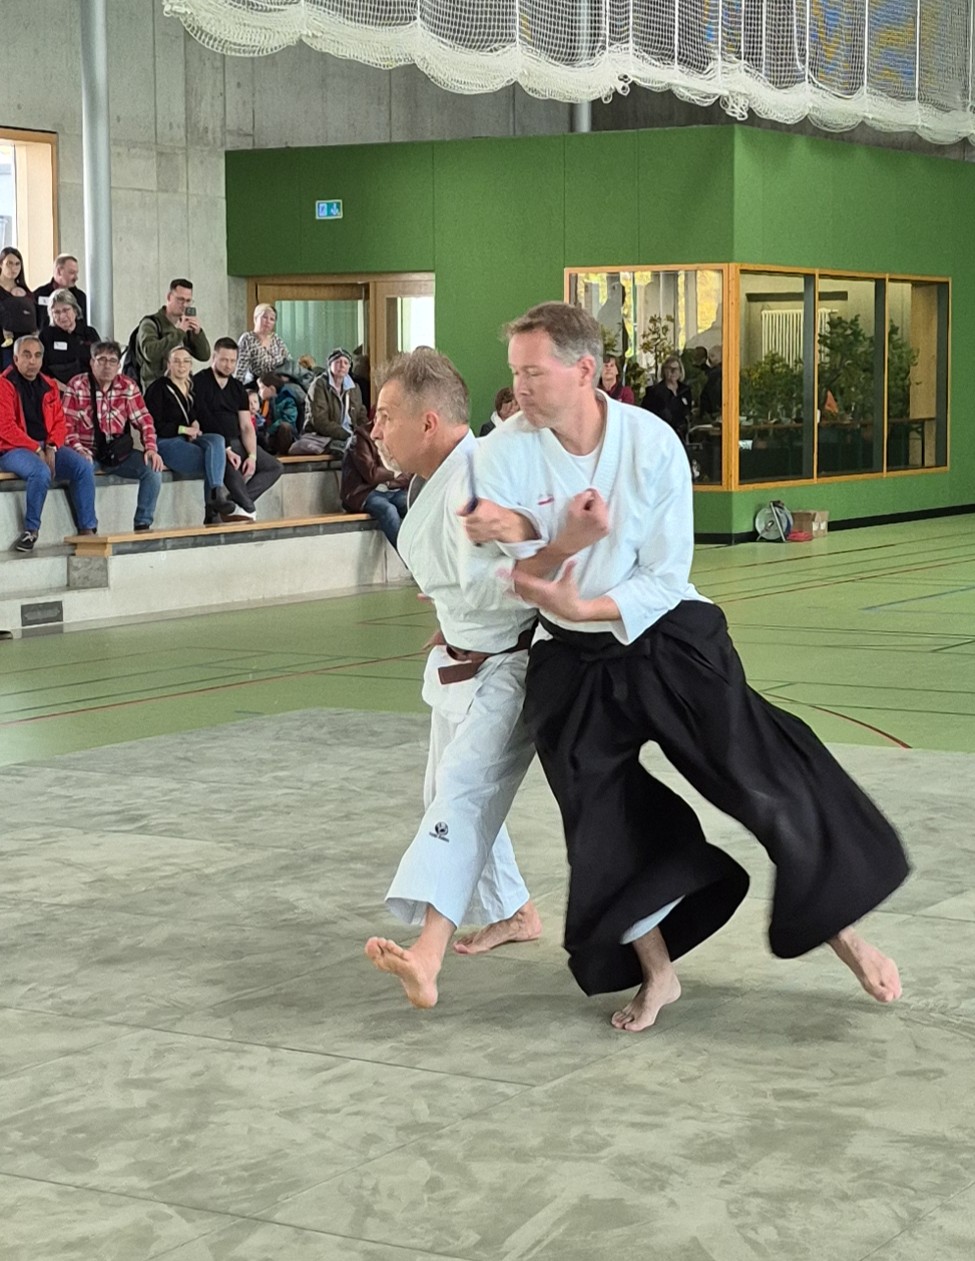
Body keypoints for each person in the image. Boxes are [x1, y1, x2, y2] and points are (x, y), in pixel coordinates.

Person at [465, 302, 909, 1031]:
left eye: (533, 373)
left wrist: (587, 601)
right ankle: (658, 973)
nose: (519, 389)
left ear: (585, 370)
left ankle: (846, 936)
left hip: (665, 635)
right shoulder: (502, 453)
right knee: (601, 821)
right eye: (514, 373)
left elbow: (665, 575)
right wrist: (552, 558)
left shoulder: (651, 443)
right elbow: (511, 573)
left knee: (761, 777)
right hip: (571, 658)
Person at [364, 346, 577, 1009]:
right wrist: (454, 615)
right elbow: (469, 575)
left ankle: (427, 955)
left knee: (461, 791)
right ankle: (514, 910)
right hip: (463, 657)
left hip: (510, 666)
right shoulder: (432, 479)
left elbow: (547, 564)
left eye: (386, 415)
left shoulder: (485, 479)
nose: (375, 429)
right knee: (443, 788)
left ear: (428, 421)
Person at [0, 335, 97, 551]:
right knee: (40, 472)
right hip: (12, 449)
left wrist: (52, 445)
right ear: (15, 358)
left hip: (46, 445)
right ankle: (31, 530)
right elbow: (5, 428)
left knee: (83, 467)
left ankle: (87, 529)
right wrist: (36, 448)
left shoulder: (49, 385)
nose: (32, 361)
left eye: (37, 356)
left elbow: (60, 423)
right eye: (26, 355)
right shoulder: (3, 385)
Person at [63, 341, 164, 532]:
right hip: (87, 451)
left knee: (153, 468)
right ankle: (88, 528)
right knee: (81, 468)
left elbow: (145, 420)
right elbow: (67, 426)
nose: (107, 365)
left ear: (118, 366)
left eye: (112, 361)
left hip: (117, 453)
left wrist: (151, 448)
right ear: (92, 362)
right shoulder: (77, 385)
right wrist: (79, 450)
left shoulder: (128, 386)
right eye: (101, 360)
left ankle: (143, 524)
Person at [144, 346, 239, 525]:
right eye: (177, 361)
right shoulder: (158, 388)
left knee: (217, 441)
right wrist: (183, 429)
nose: (182, 366)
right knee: (213, 460)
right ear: (169, 364)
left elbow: (200, 414)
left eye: (186, 361)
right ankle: (213, 508)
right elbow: (154, 425)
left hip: (189, 438)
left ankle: (215, 495)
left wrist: (195, 423)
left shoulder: (191, 387)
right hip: (166, 441)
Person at [193, 338, 282, 521]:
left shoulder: (237, 387)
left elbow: (246, 425)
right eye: (224, 360)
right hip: (214, 444)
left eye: (233, 361)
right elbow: (204, 419)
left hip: (237, 441)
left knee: (274, 467)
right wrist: (226, 449)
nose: (228, 365)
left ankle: (231, 504)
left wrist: (252, 456)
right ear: (214, 357)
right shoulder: (199, 382)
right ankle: (242, 507)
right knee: (247, 506)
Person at [339, 413, 410, 547]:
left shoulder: (398, 434)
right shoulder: (360, 437)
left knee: (413, 505)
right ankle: (407, 555)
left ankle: (424, 551)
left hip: (391, 489)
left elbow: (408, 473)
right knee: (388, 510)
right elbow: (372, 474)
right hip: (364, 492)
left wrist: (389, 481)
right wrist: (395, 473)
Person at [136, 278, 211, 390]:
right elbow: (150, 353)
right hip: (156, 388)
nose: (184, 305)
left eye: (188, 301)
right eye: (180, 299)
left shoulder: (185, 325)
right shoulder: (151, 323)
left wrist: (197, 333)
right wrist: (179, 332)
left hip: (182, 387)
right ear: (169, 297)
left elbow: (204, 356)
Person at [292, 347, 367, 455]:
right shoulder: (319, 385)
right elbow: (320, 420)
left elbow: (361, 415)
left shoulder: (354, 388)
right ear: (330, 365)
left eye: (346, 363)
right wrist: (346, 434)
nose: (342, 365)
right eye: (338, 362)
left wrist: (363, 433)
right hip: (322, 436)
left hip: (350, 436)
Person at [39, 289, 99, 388]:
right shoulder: (46, 335)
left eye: (66, 310)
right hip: (56, 388)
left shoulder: (89, 333)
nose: (62, 316)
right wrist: (61, 387)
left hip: (87, 388)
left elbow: (99, 362)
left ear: (75, 310)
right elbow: (41, 368)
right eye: (57, 312)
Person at [642, 353, 693, 443]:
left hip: (681, 435)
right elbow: (647, 414)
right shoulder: (654, 391)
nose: (673, 372)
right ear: (664, 371)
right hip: (661, 434)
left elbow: (688, 410)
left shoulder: (685, 390)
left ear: (680, 371)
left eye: (676, 369)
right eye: (669, 368)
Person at [0, 247, 37, 369]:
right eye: (9, 263)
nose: (13, 268)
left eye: (17, 264)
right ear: (1, 264)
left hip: (23, 346)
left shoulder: (26, 292)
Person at [234, 304, 290, 383]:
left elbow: (289, 361)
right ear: (255, 318)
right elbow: (240, 371)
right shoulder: (248, 339)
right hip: (258, 384)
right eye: (264, 317)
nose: (268, 321)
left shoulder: (276, 339)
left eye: (272, 319)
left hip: (280, 383)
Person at [34, 254, 88, 330]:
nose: (76, 278)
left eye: (76, 273)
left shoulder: (80, 297)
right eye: (72, 273)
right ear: (59, 272)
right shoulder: (39, 294)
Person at [256, 372, 301, 454]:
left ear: (272, 389)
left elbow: (289, 419)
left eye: (261, 388)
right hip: (269, 435)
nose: (259, 392)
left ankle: (283, 453)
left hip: (285, 436)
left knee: (285, 426)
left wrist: (270, 430)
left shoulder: (288, 400)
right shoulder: (265, 403)